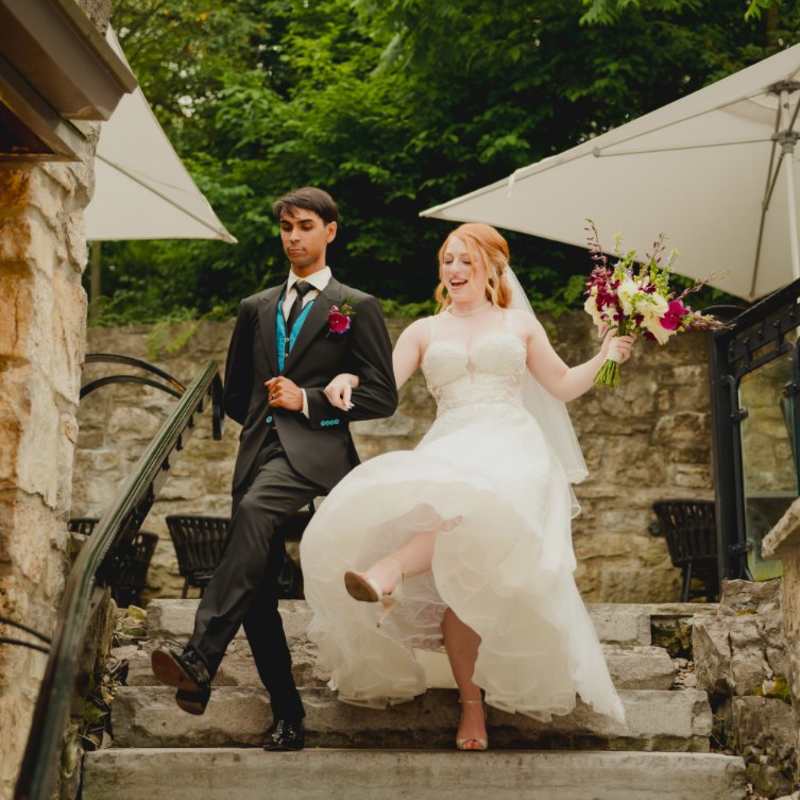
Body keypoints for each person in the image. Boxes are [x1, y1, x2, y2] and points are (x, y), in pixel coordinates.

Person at [300, 222, 633, 751]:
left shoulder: (520, 324)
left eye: (465, 261)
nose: (454, 270)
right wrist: (347, 379)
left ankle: (388, 571)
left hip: (515, 450)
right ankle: (470, 705)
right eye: (447, 260)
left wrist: (605, 356)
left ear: (492, 269)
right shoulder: (424, 331)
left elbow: (563, 385)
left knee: (461, 520)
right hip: (453, 443)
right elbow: (382, 382)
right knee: (459, 572)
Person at [150, 187, 398, 751]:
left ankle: (200, 654)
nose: (294, 237)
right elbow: (239, 394)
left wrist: (308, 401)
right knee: (257, 591)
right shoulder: (255, 307)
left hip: (316, 454)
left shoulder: (355, 306)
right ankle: (285, 713)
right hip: (258, 453)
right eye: (286, 227)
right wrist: (268, 421)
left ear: (330, 231)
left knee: (258, 510)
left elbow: (383, 396)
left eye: (305, 226)